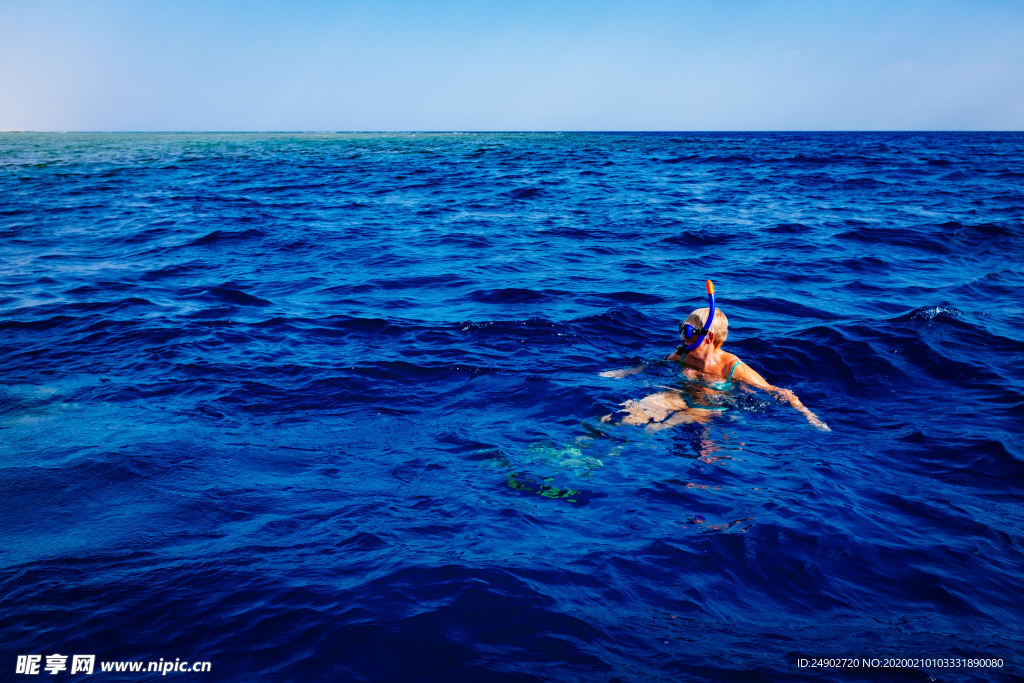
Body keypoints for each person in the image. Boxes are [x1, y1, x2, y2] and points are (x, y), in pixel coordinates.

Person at [601, 299, 830, 432]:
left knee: (650, 430)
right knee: (626, 412)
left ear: (708, 338)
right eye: (681, 327)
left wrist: (808, 415)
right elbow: (654, 364)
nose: (682, 336)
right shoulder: (682, 354)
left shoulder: (732, 367)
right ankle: (588, 441)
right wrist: (626, 372)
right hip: (678, 394)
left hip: (711, 407)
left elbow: (777, 391)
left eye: (688, 331)